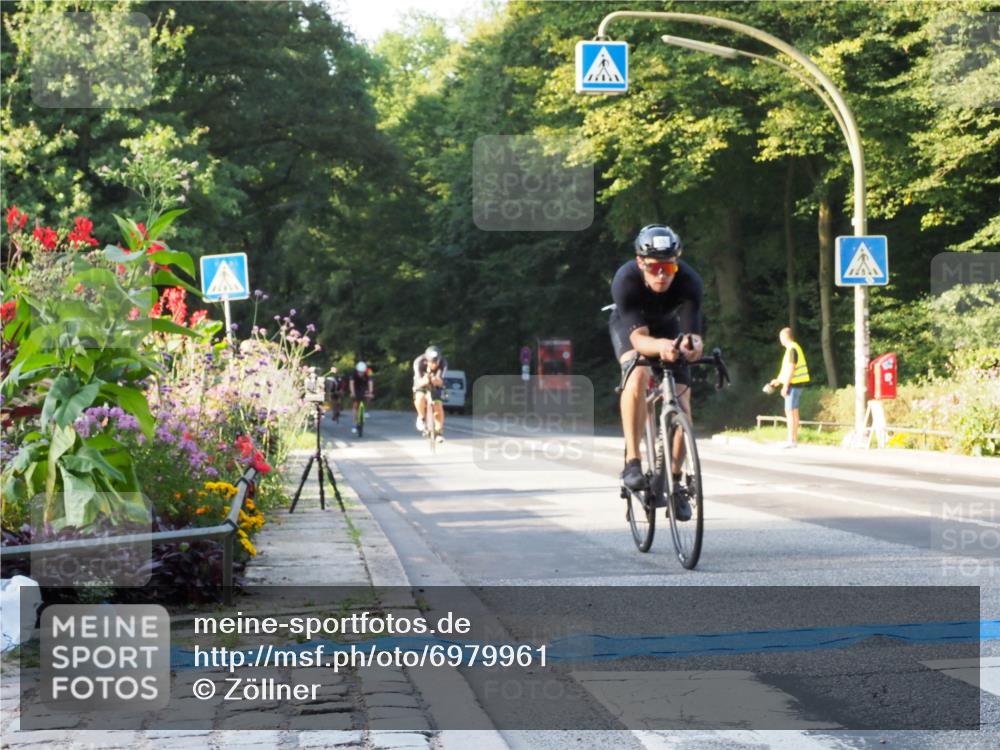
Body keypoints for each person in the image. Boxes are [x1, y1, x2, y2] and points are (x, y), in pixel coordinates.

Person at [610, 224, 704, 521]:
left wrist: (692, 346)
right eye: (654, 268)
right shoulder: (626, 280)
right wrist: (660, 346)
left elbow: (693, 334)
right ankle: (632, 461)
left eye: (668, 267)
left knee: (683, 406)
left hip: (668, 328)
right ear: (641, 263)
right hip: (632, 329)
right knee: (635, 372)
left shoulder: (689, 280)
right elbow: (638, 339)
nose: (662, 275)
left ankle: (675, 484)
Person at [768, 327, 810, 448]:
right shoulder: (794, 348)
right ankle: (794, 440)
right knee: (794, 412)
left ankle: (790, 440)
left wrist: (785, 386)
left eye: (781, 337)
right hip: (797, 384)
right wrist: (778, 381)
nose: (780, 340)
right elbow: (787, 369)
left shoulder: (791, 349)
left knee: (790, 412)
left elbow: (792, 368)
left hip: (793, 385)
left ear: (785, 337)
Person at [413, 345, 447, 443]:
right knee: (420, 397)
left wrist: (434, 380)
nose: (434, 365)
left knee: (438, 405)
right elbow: (418, 382)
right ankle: (421, 417)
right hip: (421, 380)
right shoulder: (418, 362)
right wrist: (426, 380)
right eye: (431, 362)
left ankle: (439, 432)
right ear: (426, 360)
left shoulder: (443, 363)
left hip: (435, 381)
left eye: (436, 362)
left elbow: (441, 381)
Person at [349, 361, 373, 435]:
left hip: (363, 387)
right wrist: (352, 393)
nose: (361, 374)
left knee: (369, 396)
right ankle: (354, 423)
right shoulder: (353, 373)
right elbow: (351, 383)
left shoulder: (368, 373)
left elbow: (370, 383)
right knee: (355, 405)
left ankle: (367, 411)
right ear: (357, 370)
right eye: (359, 372)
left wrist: (370, 392)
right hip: (356, 388)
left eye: (362, 372)